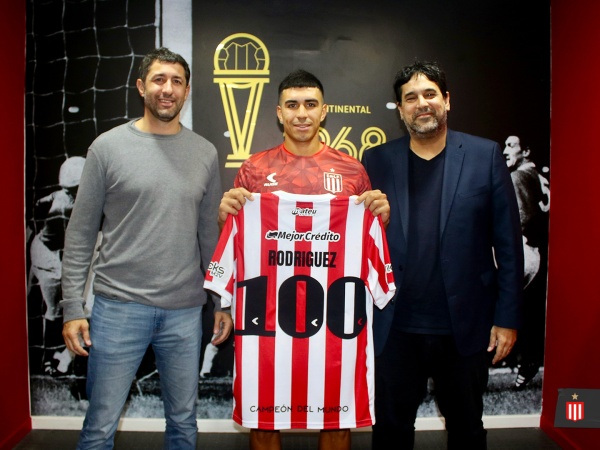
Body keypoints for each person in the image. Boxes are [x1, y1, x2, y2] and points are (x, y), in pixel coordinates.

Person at [60, 47, 233, 449]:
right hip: (118, 308)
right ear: (141, 87)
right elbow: (80, 234)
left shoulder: (205, 153)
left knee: (184, 425)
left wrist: (222, 301)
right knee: (99, 427)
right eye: (159, 80)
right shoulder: (106, 148)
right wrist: (72, 308)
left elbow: (210, 239)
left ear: (186, 90)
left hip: (184, 314)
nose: (167, 89)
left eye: (176, 81)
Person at [212, 69, 392, 450]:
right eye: (292, 105)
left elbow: (366, 233)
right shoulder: (254, 169)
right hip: (267, 318)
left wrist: (379, 217)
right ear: (279, 113)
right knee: (263, 421)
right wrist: (225, 214)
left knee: (337, 421)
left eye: (310, 104)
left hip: (334, 321)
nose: (301, 113)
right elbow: (235, 235)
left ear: (324, 111)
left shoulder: (352, 170)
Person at [361, 61, 524, 449]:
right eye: (410, 97)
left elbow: (508, 246)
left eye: (430, 94)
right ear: (400, 109)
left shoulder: (485, 155)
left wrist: (506, 318)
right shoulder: (376, 160)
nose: (422, 103)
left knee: (467, 431)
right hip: (395, 328)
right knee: (390, 433)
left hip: (464, 326)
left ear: (447, 100)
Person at [28, 156, 85, 375]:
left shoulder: (59, 196)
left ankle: (55, 354)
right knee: (54, 310)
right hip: (47, 256)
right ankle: (47, 359)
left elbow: (41, 204)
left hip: (48, 250)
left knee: (53, 305)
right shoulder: (68, 206)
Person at [503, 135, 550, 390]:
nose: (505, 150)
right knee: (526, 309)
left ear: (527, 151)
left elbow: (523, 218)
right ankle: (526, 357)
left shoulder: (518, 176)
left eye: (511, 145)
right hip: (538, 252)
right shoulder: (539, 176)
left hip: (525, 251)